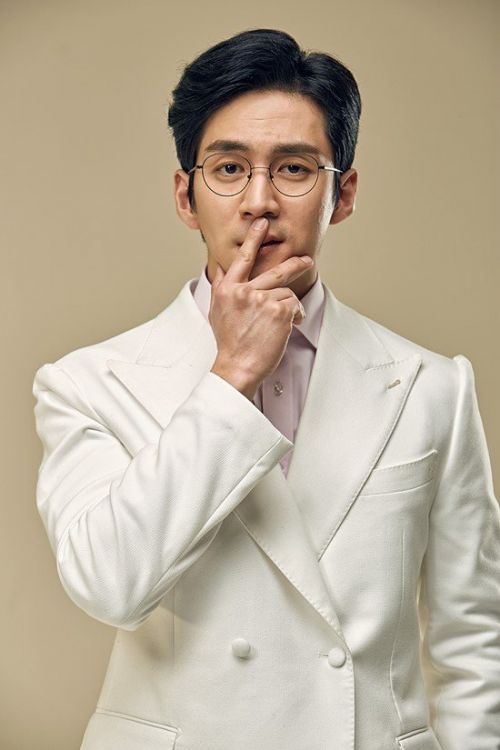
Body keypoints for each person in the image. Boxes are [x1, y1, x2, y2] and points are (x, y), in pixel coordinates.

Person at [32, 28, 500, 750]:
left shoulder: (433, 386)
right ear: (186, 197)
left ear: (343, 194)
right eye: (228, 168)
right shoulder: (89, 383)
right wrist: (231, 378)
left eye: (294, 169)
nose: (259, 201)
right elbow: (110, 586)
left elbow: (474, 639)